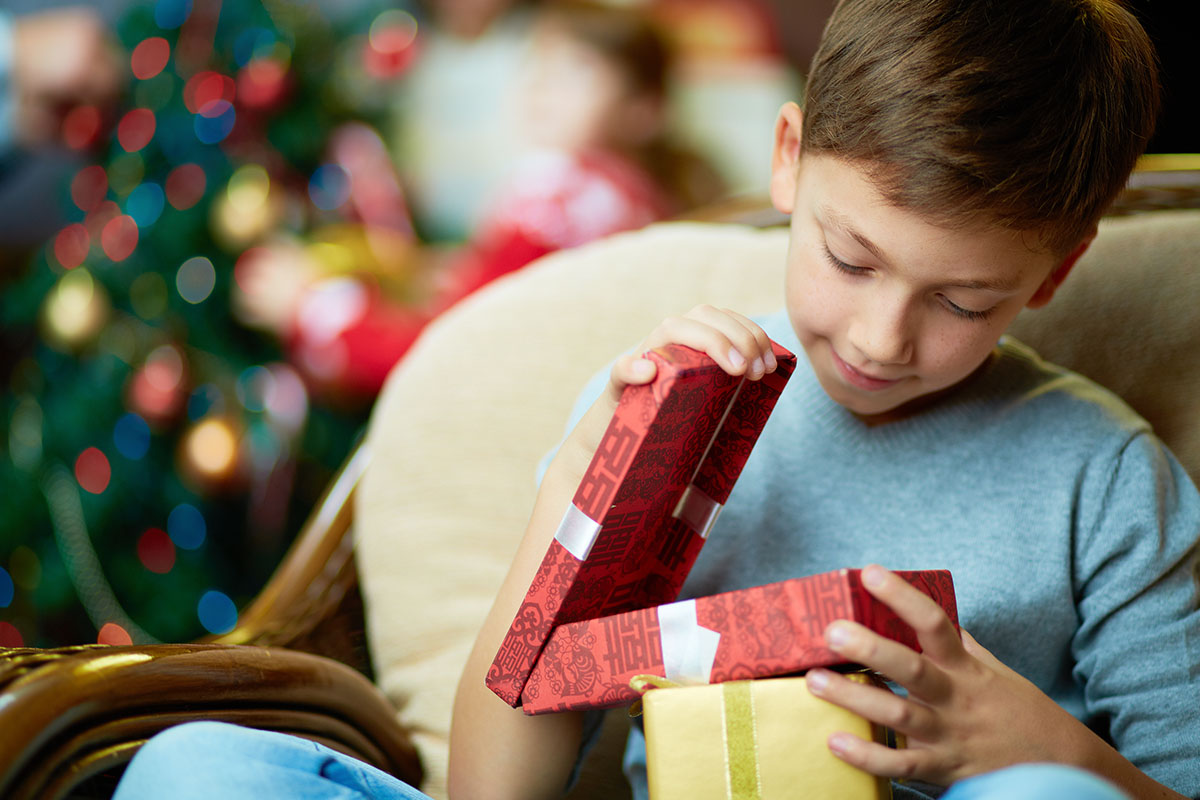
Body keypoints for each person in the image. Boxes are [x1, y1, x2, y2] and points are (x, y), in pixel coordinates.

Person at [114, 1, 1199, 799]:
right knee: (197, 765)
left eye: (964, 300)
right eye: (848, 258)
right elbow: (496, 794)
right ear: (787, 162)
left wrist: (1044, 747)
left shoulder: (1104, 479)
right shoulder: (673, 398)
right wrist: (576, 524)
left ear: (1051, 277)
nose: (882, 337)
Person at [234, 2, 714, 399]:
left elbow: (443, 352)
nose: (541, 84)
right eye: (537, 64)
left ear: (641, 111)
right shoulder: (635, 198)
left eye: (573, 72)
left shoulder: (559, 195)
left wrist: (308, 305)